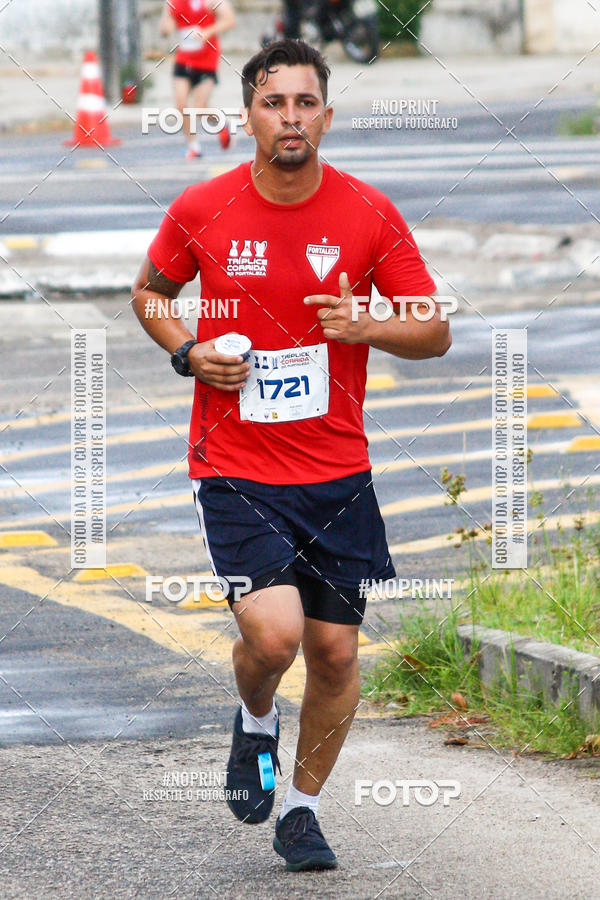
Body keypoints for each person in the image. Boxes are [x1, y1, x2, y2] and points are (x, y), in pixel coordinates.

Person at [131, 39, 451, 871]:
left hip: (338, 471)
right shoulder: (202, 207)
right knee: (273, 637)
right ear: (249, 116)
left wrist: (368, 326)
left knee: (338, 652)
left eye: (306, 103)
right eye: (274, 103)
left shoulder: (368, 213)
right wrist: (187, 350)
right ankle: (257, 716)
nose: (291, 118)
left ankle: (301, 812)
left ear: (327, 115)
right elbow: (150, 293)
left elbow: (435, 329)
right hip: (235, 466)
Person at [160, 0, 236, 158]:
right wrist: (166, 27)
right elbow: (166, 26)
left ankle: (222, 123)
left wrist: (208, 31)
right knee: (181, 104)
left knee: (199, 108)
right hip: (184, 58)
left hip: (207, 58)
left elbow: (229, 20)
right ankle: (193, 146)